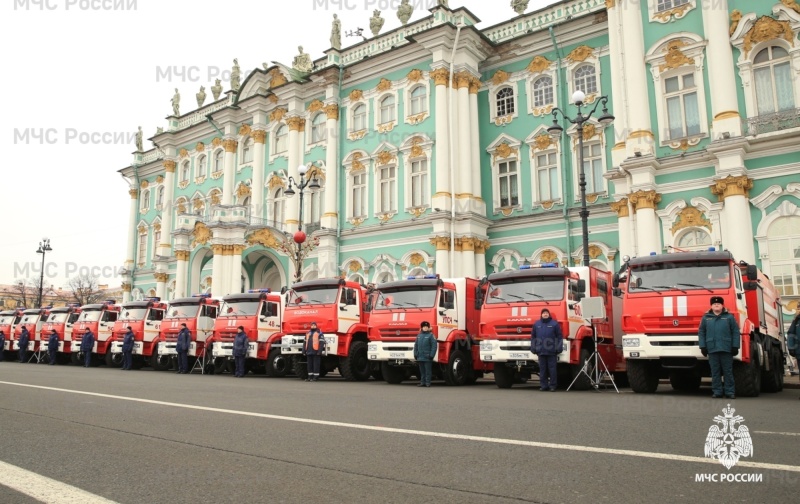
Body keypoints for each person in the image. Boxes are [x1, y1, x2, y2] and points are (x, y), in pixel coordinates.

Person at [699, 296, 740, 399]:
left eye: (718, 304)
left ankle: (730, 392)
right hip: (712, 349)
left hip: (726, 349)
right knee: (715, 372)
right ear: (711, 306)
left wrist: (735, 346)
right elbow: (701, 332)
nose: (716, 305)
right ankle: (717, 391)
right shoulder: (706, 318)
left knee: (728, 371)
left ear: (722, 305)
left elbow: (735, 332)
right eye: (714, 304)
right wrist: (703, 346)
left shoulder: (729, 317)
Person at [530, 308, 563, 391]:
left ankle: (552, 386)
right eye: (544, 313)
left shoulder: (554, 324)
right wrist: (533, 348)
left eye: (546, 313)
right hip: (540, 351)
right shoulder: (536, 324)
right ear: (541, 314)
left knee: (552, 370)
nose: (545, 314)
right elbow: (533, 337)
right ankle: (543, 386)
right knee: (542, 370)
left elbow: (559, 337)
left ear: (549, 314)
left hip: (551, 351)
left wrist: (559, 348)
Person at [413, 321, 437, 387]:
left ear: (428, 328)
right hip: (420, 357)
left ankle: (427, 383)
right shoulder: (419, 336)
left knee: (428, 371)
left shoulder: (431, 336)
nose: (425, 328)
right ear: (422, 328)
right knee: (422, 371)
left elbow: (434, 346)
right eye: (424, 327)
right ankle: (422, 382)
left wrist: (432, 355)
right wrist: (415, 354)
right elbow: (416, 345)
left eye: (426, 327)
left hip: (427, 357)